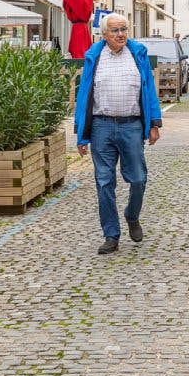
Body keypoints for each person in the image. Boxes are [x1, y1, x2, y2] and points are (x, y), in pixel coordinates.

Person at [73, 13, 163, 255]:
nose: (121, 34)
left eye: (124, 29)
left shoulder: (137, 54)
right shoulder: (94, 56)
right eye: (115, 30)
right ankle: (111, 235)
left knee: (138, 178)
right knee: (104, 182)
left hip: (131, 126)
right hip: (101, 127)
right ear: (104, 34)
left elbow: (149, 91)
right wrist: (81, 133)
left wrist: (154, 123)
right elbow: (84, 95)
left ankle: (132, 215)